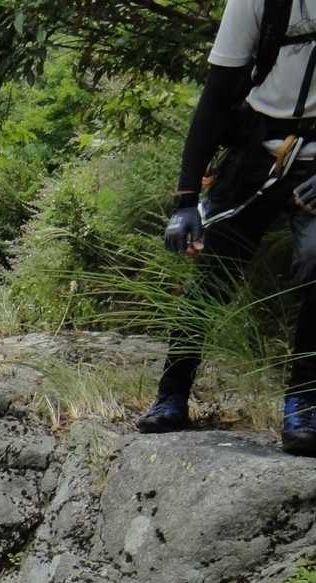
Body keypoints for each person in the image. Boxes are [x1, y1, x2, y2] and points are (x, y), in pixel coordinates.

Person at [142, 0, 316, 455]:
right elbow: (217, 95)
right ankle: (172, 393)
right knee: (214, 274)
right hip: (255, 154)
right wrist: (185, 201)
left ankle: (304, 405)